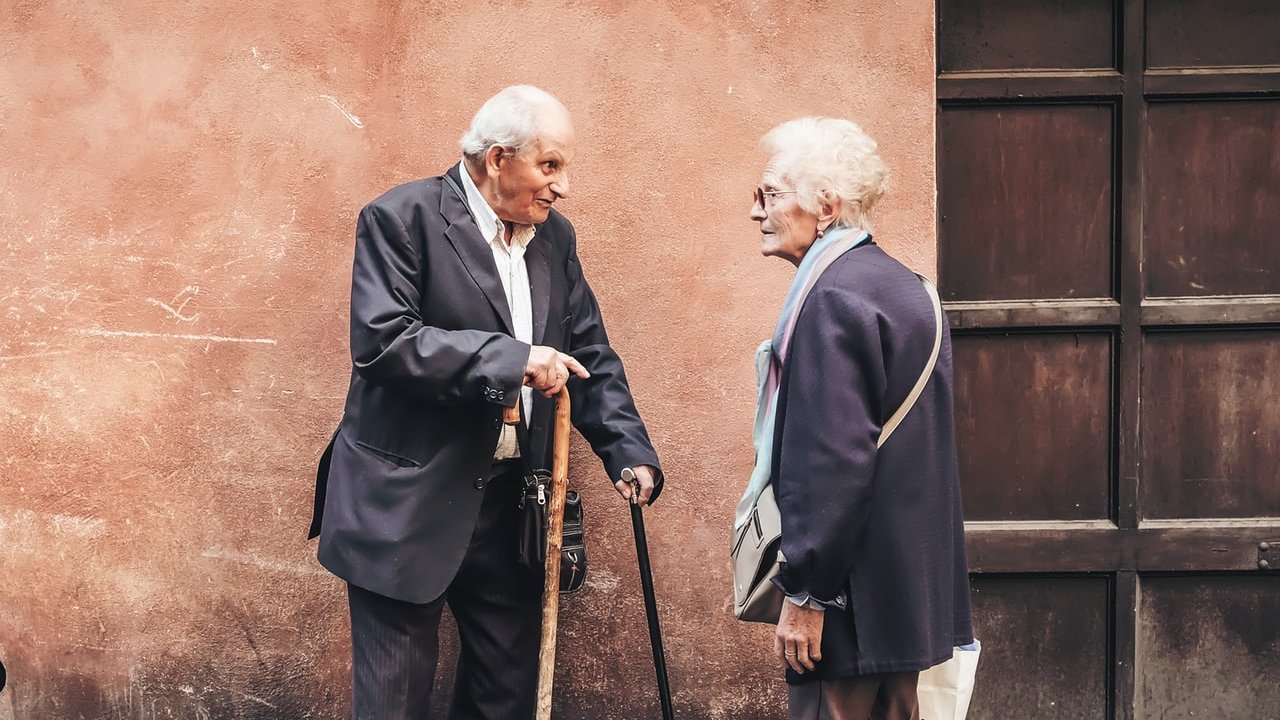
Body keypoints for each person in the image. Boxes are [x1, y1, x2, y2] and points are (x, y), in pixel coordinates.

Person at [307, 85, 664, 720]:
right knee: (394, 702)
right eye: (549, 166)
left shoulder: (555, 239)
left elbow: (590, 353)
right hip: (404, 503)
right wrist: (514, 358)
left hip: (511, 506)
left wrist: (627, 451)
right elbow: (386, 343)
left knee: (508, 695)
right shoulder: (401, 218)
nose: (562, 186)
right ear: (498, 159)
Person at [741, 117, 973, 720]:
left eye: (770, 193)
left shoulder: (833, 298)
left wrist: (808, 592)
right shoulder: (904, 286)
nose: (756, 211)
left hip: (849, 596)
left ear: (825, 204)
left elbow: (834, 460)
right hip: (903, 587)